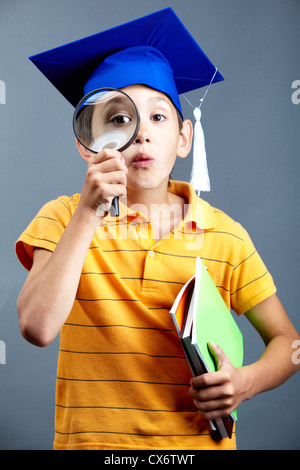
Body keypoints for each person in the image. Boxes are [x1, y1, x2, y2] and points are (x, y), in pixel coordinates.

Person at [15, 8, 299, 451]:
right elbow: (37, 327)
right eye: (119, 119)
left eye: (159, 118)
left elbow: (289, 342)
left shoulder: (226, 235)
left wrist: (247, 381)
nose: (142, 134)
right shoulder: (62, 218)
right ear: (88, 144)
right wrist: (88, 215)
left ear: (185, 138)